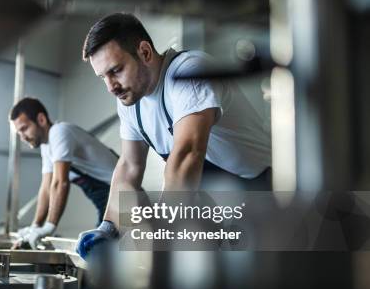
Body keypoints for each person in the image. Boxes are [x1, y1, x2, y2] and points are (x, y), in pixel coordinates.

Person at [76, 13, 271, 258]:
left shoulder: (189, 72)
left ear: (145, 52)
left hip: (264, 196)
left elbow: (187, 154)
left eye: (115, 70)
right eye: (103, 76)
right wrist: (108, 226)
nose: (110, 86)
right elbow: (129, 168)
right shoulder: (130, 102)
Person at [9, 97, 118, 249]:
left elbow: (60, 182)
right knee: (98, 251)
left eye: (24, 128)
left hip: (125, 196)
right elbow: (46, 188)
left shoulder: (59, 132)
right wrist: (35, 226)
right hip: (106, 202)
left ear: (41, 119)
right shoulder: (46, 146)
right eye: (19, 132)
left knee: (114, 253)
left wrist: (49, 227)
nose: (23, 137)